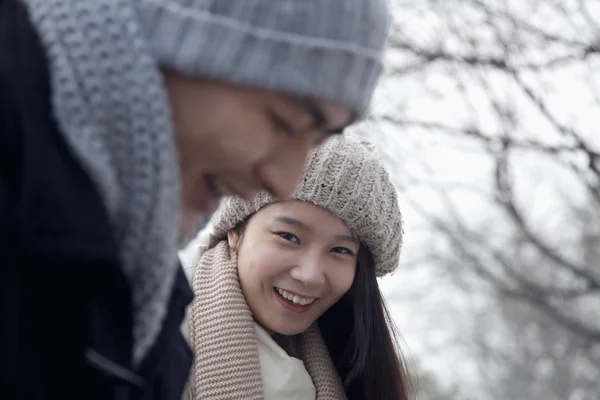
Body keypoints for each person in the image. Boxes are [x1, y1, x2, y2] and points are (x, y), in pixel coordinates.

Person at [0, 0, 391, 399]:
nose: (283, 180)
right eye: (284, 122)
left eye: (341, 249)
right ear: (189, 43)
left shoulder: (143, 300)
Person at [183, 134, 411, 400]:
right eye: (288, 237)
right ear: (235, 230)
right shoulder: (155, 336)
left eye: (340, 250)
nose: (310, 276)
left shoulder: (346, 363)